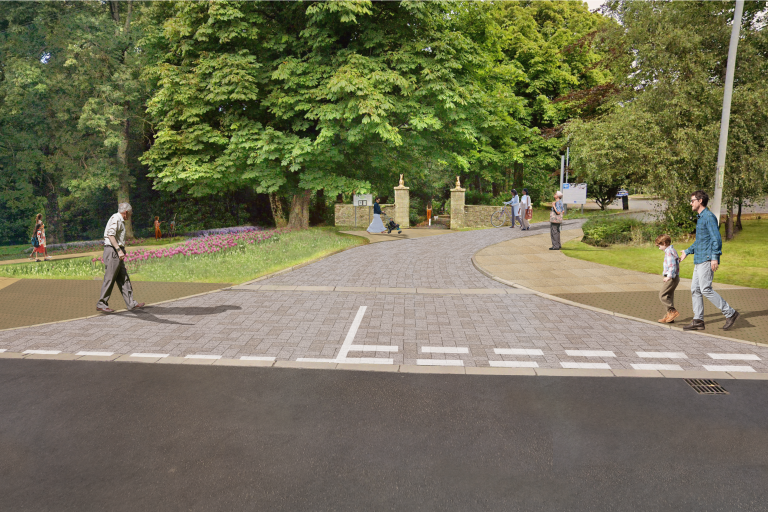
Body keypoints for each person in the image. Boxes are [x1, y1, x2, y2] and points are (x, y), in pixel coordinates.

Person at [679, 190, 739, 331]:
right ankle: (698, 320)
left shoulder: (708, 217)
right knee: (695, 289)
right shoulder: (700, 217)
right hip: (699, 259)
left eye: (692, 200)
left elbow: (716, 239)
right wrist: (687, 251)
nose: (691, 203)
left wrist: (714, 258)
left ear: (700, 201)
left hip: (706, 259)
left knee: (705, 289)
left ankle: (730, 313)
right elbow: (700, 241)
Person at [97, 202, 145, 313]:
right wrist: (119, 250)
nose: (131, 214)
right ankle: (101, 303)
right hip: (113, 251)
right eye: (131, 212)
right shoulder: (116, 218)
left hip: (116, 252)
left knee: (124, 278)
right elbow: (110, 234)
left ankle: (131, 303)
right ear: (126, 212)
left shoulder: (120, 220)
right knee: (110, 278)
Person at [655, 234, 680, 323]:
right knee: (669, 296)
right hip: (674, 277)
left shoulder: (669, 252)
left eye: (659, 245)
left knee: (662, 295)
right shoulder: (672, 250)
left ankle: (672, 311)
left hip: (671, 277)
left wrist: (668, 276)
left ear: (665, 243)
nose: (659, 248)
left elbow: (672, 265)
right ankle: (670, 316)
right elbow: (676, 261)